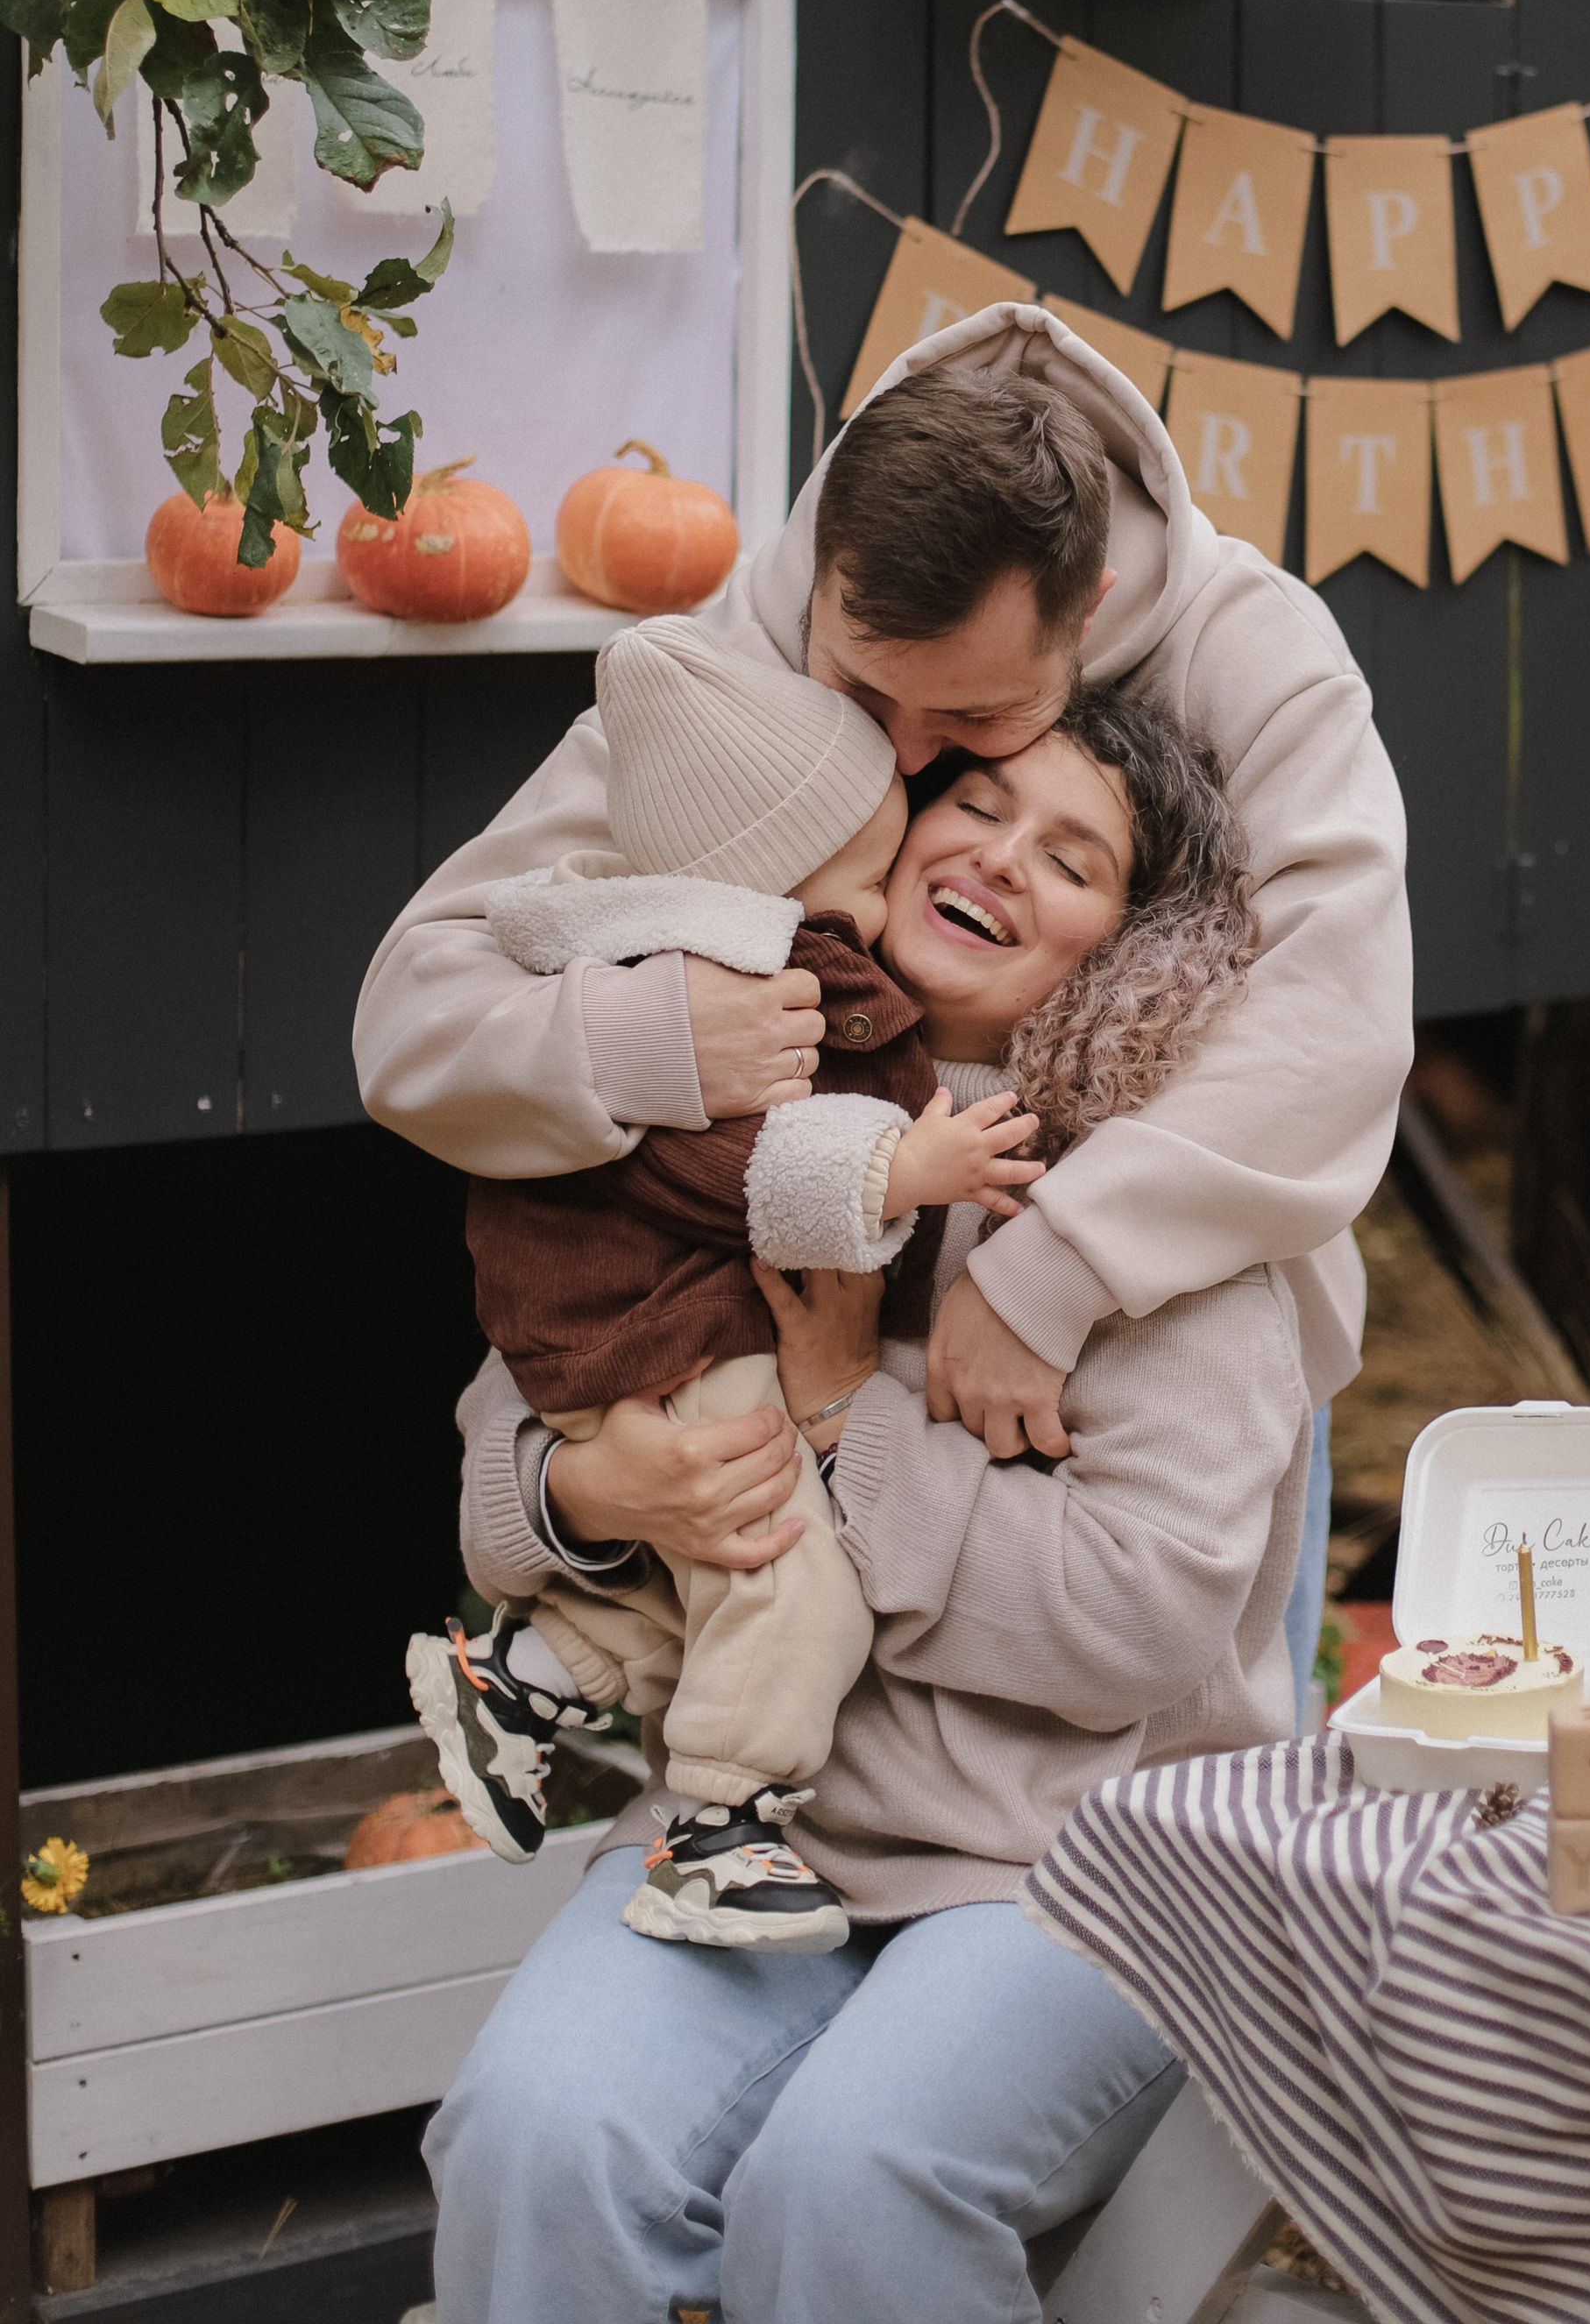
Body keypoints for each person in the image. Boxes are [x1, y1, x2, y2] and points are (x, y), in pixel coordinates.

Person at [357, 306, 1413, 1708]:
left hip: (1144, 1365)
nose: (902, 759)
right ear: (823, 584)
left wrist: (1053, 1270)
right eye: (857, 695)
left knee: (1192, 1801)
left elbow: (1334, 1025)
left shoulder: (1260, 653)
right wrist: (651, 1037)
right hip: (790, 1333)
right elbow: (420, 1005)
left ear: (1087, 615)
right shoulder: (750, 637)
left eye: (971, 729)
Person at [423, 702, 1310, 2324]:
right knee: (528, 2136)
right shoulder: (725, 1086)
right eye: (975, 803)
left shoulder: (1166, 1194)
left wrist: (846, 1416)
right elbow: (516, 1430)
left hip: (1079, 1863)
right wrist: (578, 1491)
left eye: (1074, 855)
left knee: (850, 2182)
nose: (998, 857)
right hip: (756, 1835)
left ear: (1137, 942)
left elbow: (1137, 1616)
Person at [407, 612, 1048, 1952]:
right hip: (663, 1327)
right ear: (777, 875)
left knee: (693, 1570)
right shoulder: (731, 983)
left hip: (625, 1324)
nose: (876, 907)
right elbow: (744, 1167)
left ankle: (526, 1676)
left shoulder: (647, 951)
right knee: (785, 1571)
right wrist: (901, 1166)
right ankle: (721, 1827)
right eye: (867, 875)